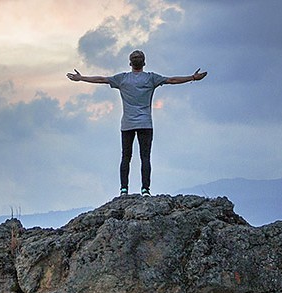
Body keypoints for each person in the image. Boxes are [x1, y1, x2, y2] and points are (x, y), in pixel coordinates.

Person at [67, 50, 207, 197]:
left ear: (130, 63)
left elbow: (101, 79)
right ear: (144, 63)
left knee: (126, 157)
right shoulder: (151, 78)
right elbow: (172, 80)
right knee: (145, 157)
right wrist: (193, 77)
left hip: (127, 124)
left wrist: (81, 78)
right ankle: (145, 189)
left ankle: (123, 190)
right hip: (145, 124)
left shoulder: (122, 79)